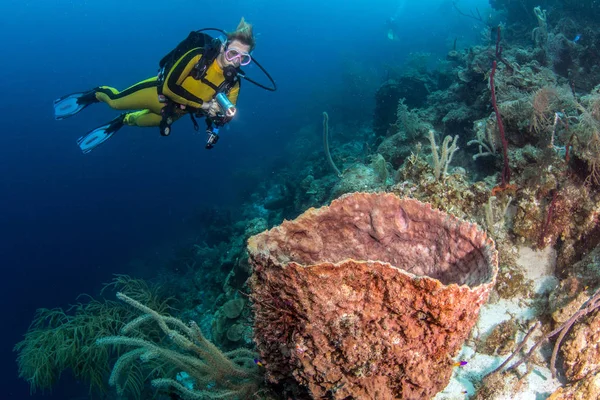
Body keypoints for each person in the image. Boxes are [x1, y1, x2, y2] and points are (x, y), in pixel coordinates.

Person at [54, 18, 276, 152]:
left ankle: (120, 122)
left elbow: (224, 114)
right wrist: (204, 106)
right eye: (233, 53)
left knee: (137, 121)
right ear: (223, 48)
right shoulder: (199, 56)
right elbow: (170, 86)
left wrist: (218, 120)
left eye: (243, 58)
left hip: (173, 113)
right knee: (114, 101)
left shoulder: (234, 82)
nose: (236, 61)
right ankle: (93, 94)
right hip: (156, 93)